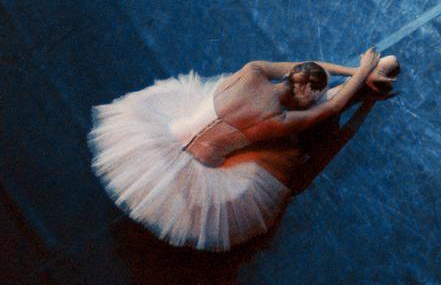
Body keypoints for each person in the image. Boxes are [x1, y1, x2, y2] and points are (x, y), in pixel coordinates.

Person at [89, 50, 399, 251]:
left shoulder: (254, 70)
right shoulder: (276, 120)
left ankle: (366, 74)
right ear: (306, 94)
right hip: (204, 166)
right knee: (294, 137)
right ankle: (372, 73)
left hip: (168, 134)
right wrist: (364, 69)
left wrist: (355, 68)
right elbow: (331, 108)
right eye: (313, 96)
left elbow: (304, 67)